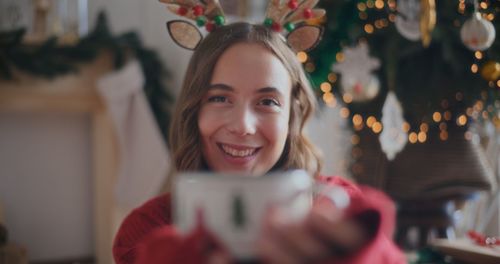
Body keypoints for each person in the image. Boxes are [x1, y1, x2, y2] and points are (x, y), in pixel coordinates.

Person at [113, 21, 405, 264]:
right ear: (194, 112)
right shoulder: (150, 229)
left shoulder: (338, 212)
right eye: (219, 98)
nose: (243, 126)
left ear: (292, 115)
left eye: (267, 101)